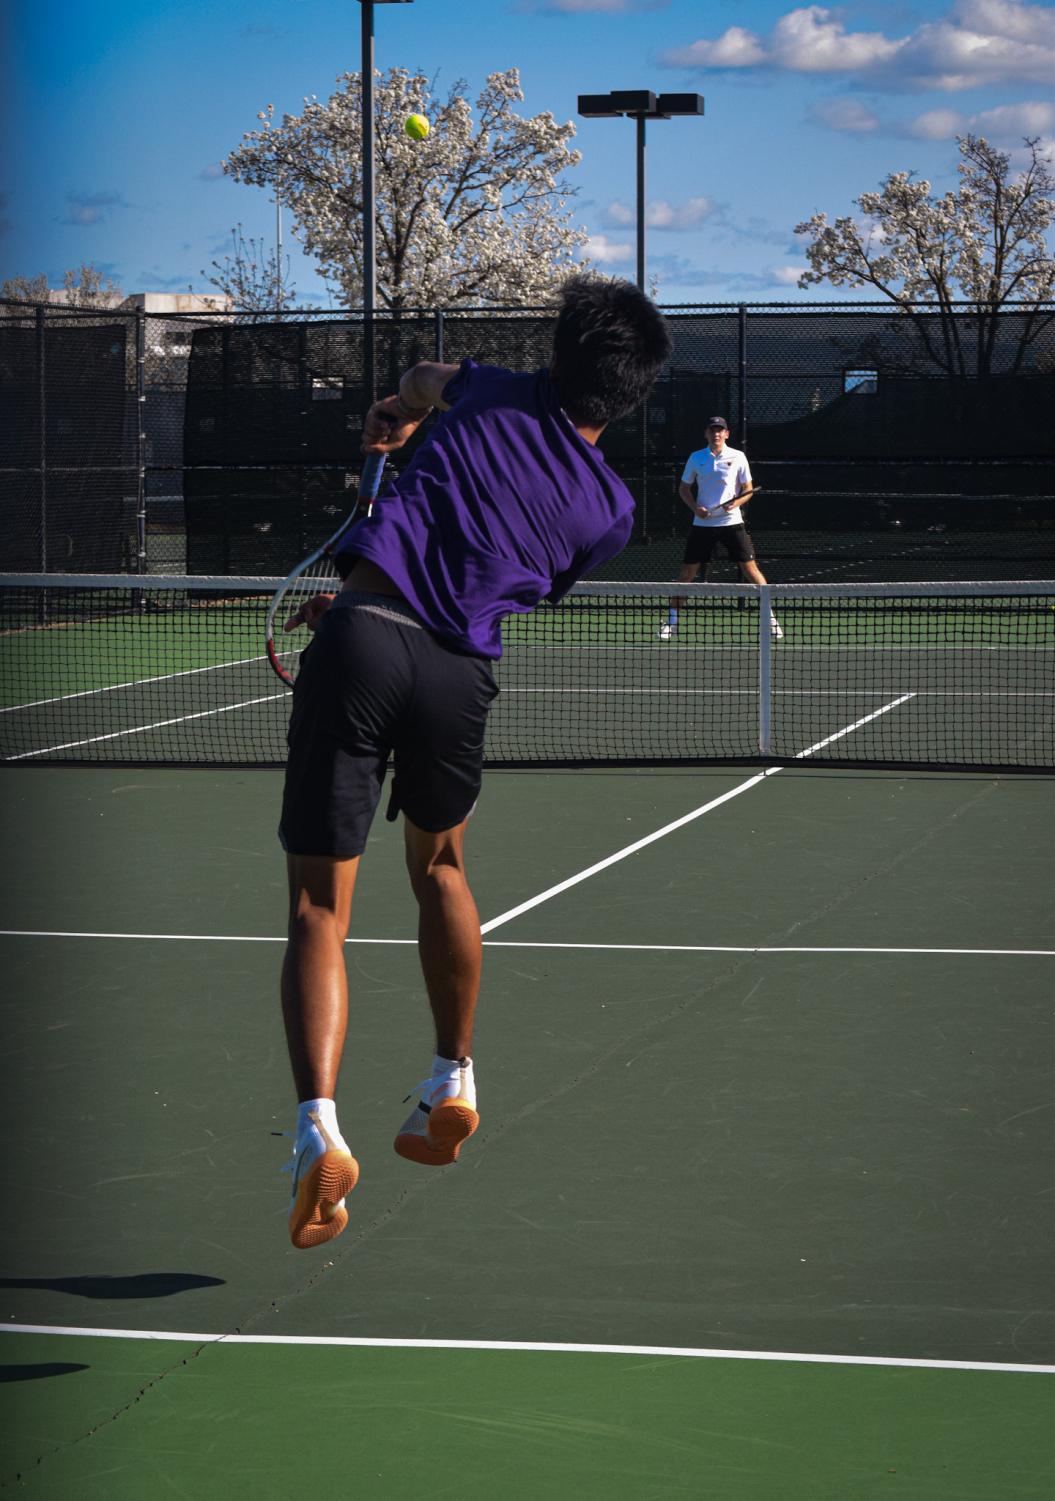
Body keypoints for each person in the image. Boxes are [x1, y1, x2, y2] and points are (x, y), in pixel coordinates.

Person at [278, 275, 672, 1249]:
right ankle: (453, 1072)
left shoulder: (486, 386)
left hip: (366, 636)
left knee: (318, 907)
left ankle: (317, 1128)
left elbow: (418, 378)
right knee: (442, 868)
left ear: (558, 349)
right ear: (630, 392)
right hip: (459, 678)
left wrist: (399, 415)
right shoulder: (610, 513)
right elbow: (503, 572)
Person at [659, 416, 782, 640]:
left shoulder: (738, 456)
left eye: (720, 430)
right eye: (712, 430)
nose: (716, 433)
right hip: (702, 524)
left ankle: (771, 620)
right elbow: (684, 489)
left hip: (732, 523)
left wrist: (734, 503)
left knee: (751, 571)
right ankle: (672, 621)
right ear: (706, 433)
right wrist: (696, 509)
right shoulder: (696, 458)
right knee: (687, 574)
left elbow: (748, 489)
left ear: (726, 434)